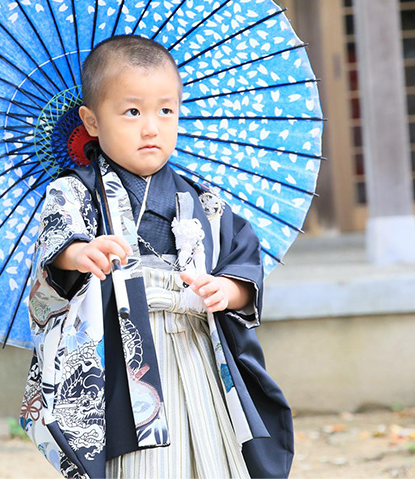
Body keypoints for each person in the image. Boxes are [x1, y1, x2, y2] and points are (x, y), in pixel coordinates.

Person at [20, 35, 293, 479]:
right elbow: (57, 246)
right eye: (132, 112)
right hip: (123, 360)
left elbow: (243, 260)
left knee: (211, 450)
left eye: (166, 110)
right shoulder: (74, 192)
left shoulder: (202, 201)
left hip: (195, 347)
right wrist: (80, 253)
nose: (152, 127)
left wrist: (229, 289)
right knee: (145, 464)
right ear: (91, 121)